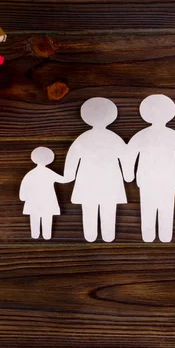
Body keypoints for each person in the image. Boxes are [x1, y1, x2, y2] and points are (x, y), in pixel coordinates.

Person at [124, 94, 175, 243]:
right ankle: (163, 234)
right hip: (164, 179)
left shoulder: (141, 136)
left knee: (150, 207)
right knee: (164, 208)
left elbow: (129, 155)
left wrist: (128, 174)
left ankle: (151, 235)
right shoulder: (173, 136)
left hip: (149, 179)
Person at [64, 97, 130, 242]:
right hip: (111, 181)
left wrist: (68, 176)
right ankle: (108, 235)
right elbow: (126, 159)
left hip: (86, 180)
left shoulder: (82, 139)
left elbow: (72, 158)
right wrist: (128, 175)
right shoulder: (115, 138)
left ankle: (90, 235)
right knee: (109, 209)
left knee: (89, 209)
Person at [19, 147, 70, 240]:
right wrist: (72, 174)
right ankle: (47, 235)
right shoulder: (48, 172)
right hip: (47, 200)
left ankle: (35, 234)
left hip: (33, 201)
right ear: (50, 159)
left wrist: (23, 196)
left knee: (34, 218)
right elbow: (63, 180)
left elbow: (24, 185)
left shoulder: (31, 173)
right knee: (47, 218)